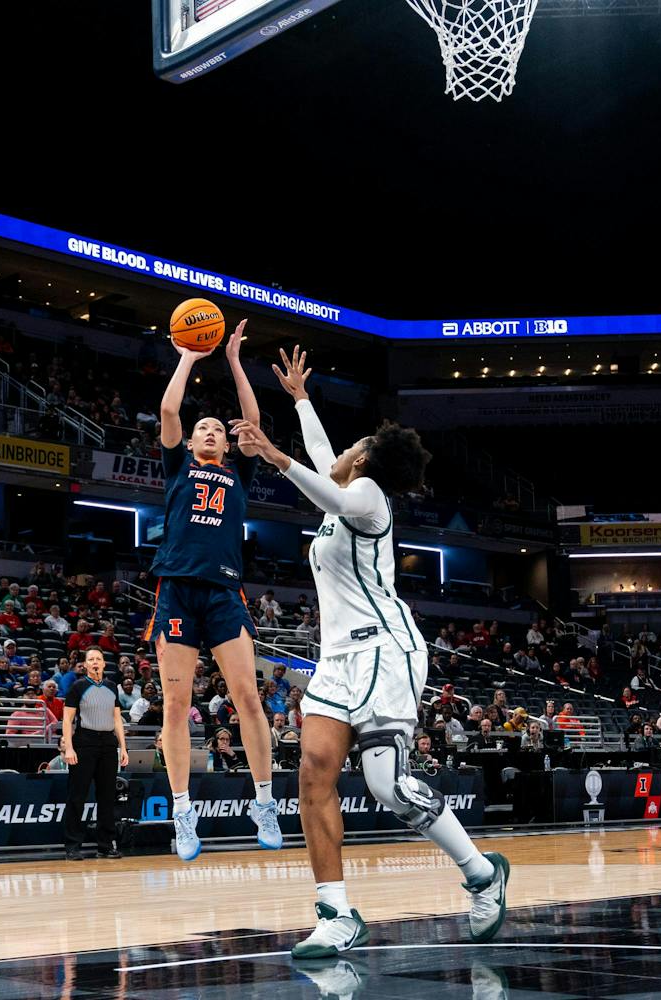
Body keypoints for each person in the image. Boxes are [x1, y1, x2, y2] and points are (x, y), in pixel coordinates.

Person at [231, 345, 508, 959]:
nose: (343, 454)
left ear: (368, 463)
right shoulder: (345, 490)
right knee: (312, 776)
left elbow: (328, 488)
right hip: (335, 661)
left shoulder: (369, 500)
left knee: (387, 786)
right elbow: (324, 462)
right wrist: (300, 399)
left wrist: (272, 455)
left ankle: (483, 873)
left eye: (353, 449)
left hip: (386, 650)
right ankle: (336, 912)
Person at [142, 323, 281, 862]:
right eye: (203, 428)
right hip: (177, 590)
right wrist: (186, 357)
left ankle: (264, 801)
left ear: (227, 443)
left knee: (249, 697)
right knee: (175, 705)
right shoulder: (177, 466)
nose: (207, 432)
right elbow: (170, 413)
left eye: (215, 430)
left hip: (225, 594)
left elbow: (253, 421)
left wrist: (235, 362)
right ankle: (183, 813)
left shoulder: (238, 473)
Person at [62, 648, 129, 860]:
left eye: (98, 659)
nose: (95, 662)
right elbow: (67, 720)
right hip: (84, 743)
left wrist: (123, 748)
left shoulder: (111, 687)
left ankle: (105, 845)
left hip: (108, 744)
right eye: (91, 659)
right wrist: (70, 747)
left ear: (104, 663)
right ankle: (73, 846)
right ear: (85, 664)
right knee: (77, 796)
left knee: (107, 797)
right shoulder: (78, 686)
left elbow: (117, 719)